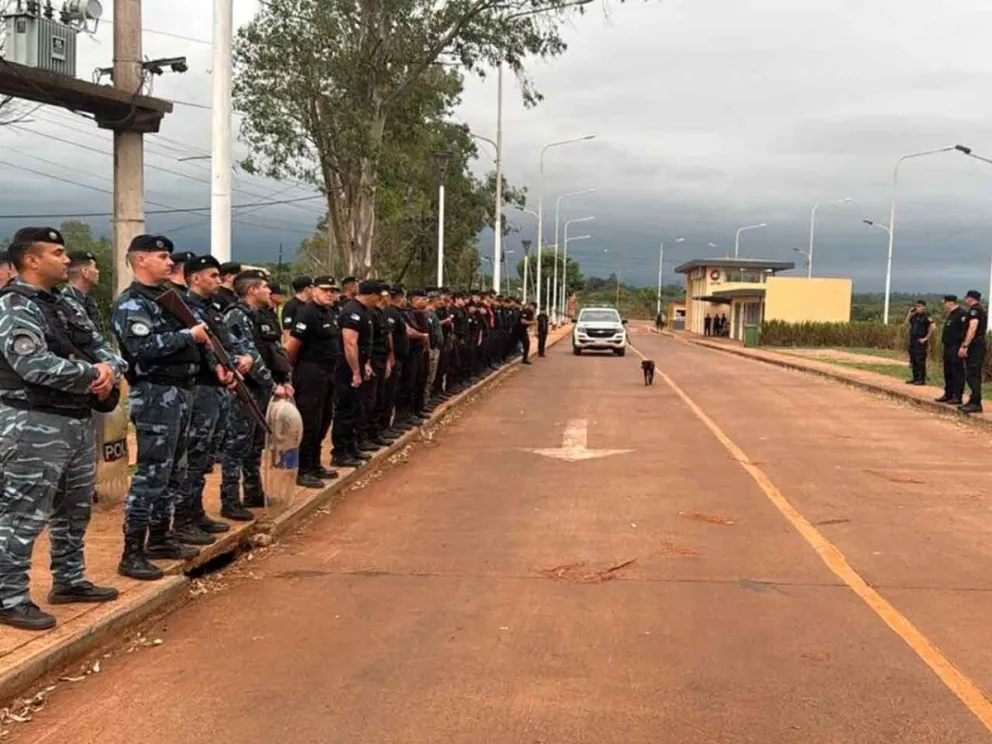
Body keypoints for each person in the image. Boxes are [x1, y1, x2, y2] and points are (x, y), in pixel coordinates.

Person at [0, 227, 127, 630]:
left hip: (75, 421)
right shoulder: (13, 305)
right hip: (31, 423)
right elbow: (33, 365)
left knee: (74, 510)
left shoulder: (66, 305)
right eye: (57, 252)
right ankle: (8, 597)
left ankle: (69, 580)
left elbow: (106, 350)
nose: (66, 259)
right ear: (31, 259)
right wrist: (92, 374)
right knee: (22, 513)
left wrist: (108, 371)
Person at [111, 235, 225, 580]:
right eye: (162, 256)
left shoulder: (168, 299)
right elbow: (142, 347)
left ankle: (160, 538)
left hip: (183, 390)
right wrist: (189, 336)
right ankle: (132, 551)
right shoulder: (131, 303)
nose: (170, 262)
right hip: (155, 393)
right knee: (151, 473)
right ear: (140, 260)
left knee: (175, 470)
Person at [174, 255, 250, 544]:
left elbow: (223, 344)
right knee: (194, 455)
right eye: (213, 276)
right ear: (195, 278)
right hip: (200, 387)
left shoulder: (213, 308)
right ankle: (183, 518)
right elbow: (200, 349)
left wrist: (237, 362)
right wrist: (222, 366)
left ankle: (195, 512)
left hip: (219, 387)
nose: (219, 281)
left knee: (205, 456)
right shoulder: (185, 308)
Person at [221, 270, 285, 518]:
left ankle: (253, 491)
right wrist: (272, 384)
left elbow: (274, 351)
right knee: (237, 444)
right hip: (244, 388)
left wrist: (282, 379)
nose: (270, 291)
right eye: (265, 287)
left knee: (255, 443)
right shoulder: (236, 316)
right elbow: (249, 354)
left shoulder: (261, 315)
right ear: (252, 290)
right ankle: (230, 499)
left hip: (261, 388)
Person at [286, 275, 342, 485]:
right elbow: (292, 347)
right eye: (325, 290)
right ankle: (302, 470)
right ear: (313, 290)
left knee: (324, 419)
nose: (330, 294)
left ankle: (315, 464)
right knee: (309, 422)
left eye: (333, 290)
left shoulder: (330, 312)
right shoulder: (306, 312)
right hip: (310, 373)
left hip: (328, 373)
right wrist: (289, 373)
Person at [331, 280, 382, 467]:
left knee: (356, 408)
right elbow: (350, 343)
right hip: (346, 368)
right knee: (345, 409)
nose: (379, 300)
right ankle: (340, 452)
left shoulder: (365, 311)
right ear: (372, 294)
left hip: (359, 365)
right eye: (378, 296)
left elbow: (365, 344)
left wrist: (365, 364)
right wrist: (355, 371)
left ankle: (351, 447)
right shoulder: (351, 311)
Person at [959, 290, 987, 415]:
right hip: (976, 344)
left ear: (970, 298)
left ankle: (976, 403)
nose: (966, 300)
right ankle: (973, 400)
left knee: (973, 374)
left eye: (967, 298)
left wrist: (965, 345)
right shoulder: (977, 310)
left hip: (975, 345)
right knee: (971, 374)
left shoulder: (975, 311)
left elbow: (972, 328)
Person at [936, 294, 968, 405]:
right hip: (948, 346)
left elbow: (965, 332)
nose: (944, 305)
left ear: (951, 302)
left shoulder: (961, 314)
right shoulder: (951, 314)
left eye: (945, 303)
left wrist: (963, 346)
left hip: (956, 346)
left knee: (957, 371)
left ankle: (957, 396)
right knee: (948, 371)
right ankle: (948, 393)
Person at [64, 250, 104, 332]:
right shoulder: (66, 304)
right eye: (95, 267)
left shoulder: (88, 302)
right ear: (85, 271)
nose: (98, 271)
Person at [905, 300, 935, 385]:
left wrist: (926, 338)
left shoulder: (926, 316)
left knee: (920, 360)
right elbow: (906, 323)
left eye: (919, 306)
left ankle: (922, 379)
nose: (917, 308)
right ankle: (915, 378)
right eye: (916, 306)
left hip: (920, 341)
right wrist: (909, 313)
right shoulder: (914, 316)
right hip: (913, 340)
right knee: (913, 359)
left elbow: (933, 327)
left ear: (923, 307)